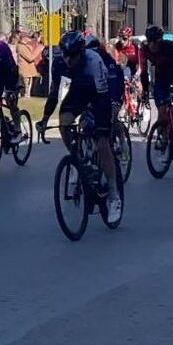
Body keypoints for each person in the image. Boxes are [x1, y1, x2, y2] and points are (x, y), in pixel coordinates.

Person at [58, 31, 123, 220]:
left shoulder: (93, 61)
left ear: (81, 52)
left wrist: (98, 114)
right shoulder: (63, 62)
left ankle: (113, 195)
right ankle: (77, 160)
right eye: (65, 55)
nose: (68, 60)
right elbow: (60, 92)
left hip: (99, 95)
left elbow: (102, 95)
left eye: (72, 56)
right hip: (79, 92)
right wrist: (46, 119)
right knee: (64, 123)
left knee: (102, 142)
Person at [12, 30, 44, 98]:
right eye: (26, 38)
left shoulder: (25, 46)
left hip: (28, 71)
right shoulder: (21, 47)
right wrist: (39, 48)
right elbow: (30, 57)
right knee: (26, 89)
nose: (28, 39)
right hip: (25, 71)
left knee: (28, 88)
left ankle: (26, 95)